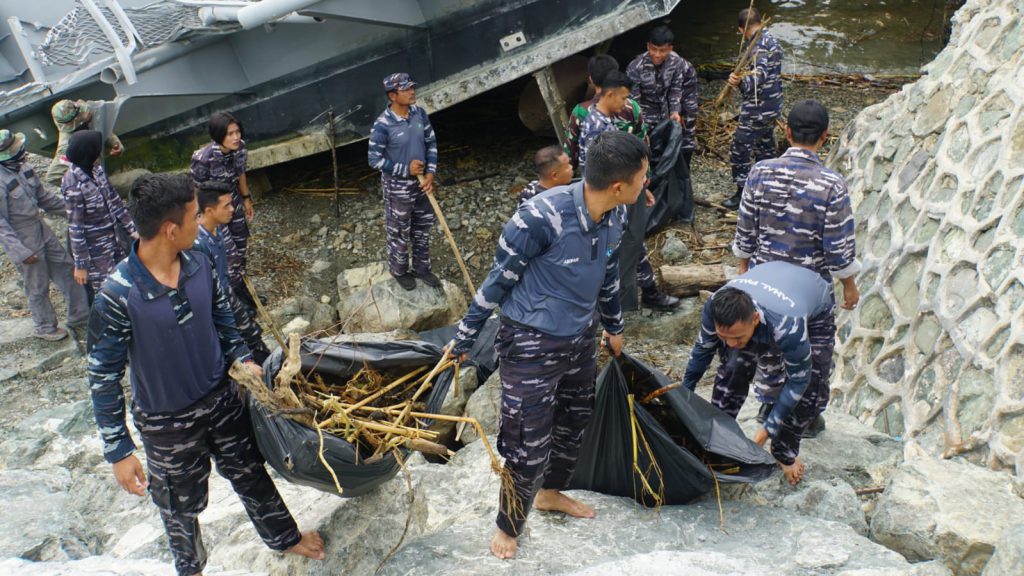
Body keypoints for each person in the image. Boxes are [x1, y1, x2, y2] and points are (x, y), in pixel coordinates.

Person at [86, 173, 324, 576]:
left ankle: (284, 537)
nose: (202, 224)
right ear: (170, 229)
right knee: (179, 507)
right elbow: (102, 376)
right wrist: (119, 450)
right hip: (167, 425)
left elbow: (223, 318)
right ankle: (191, 568)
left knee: (251, 473)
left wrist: (242, 359)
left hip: (222, 398)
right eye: (195, 216)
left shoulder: (198, 261)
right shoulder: (118, 295)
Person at [449, 131, 647, 560]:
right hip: (530, 343)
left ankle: (550, 493)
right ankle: (508, 525)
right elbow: (497, 279)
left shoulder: (615, 213)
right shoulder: (539, 217)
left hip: (580, 336)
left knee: (574, 422)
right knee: (527, 443)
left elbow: (608, 271)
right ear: (618, 184)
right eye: (642, 176)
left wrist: (613, 325)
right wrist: (464, 336)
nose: (645, 183)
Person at [732, 99, 860, 436]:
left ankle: (770, 403)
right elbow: (838, 247)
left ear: (786, 132)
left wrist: (744, 268)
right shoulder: (831, 184)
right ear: (825, 137)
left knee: (771, 343)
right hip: (809, 289)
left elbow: (746, 228)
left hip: (765, 281)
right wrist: (848, 284)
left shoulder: (759, 172)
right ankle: (805, 417)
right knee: (814, 352)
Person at [680, 261, 834, 486]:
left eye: (737, 337)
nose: (730, 343)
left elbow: (798, 381)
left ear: (754, 319)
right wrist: (683, 395)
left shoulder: (787, 324)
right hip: (770, 280)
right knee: (733, 366)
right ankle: (720, 440)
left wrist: (765, 432)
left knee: (812, 389)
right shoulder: (715, 305)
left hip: (813, 304)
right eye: (724, 337)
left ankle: (784, 452)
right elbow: (702, 352)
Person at [577, 71, 679, 313]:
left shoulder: (603, 120)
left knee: (634, 243)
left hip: (621, 196)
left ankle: (648, 291)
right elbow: (607, 173)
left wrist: (641, 189)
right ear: (609, 94)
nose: (626, 104)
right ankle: (616, 303)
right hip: (613, 200)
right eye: (623, 99)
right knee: (618, 249)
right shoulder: (597, 128)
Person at [0, 129, 89, 341]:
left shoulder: (24, 168)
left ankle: (80, 315)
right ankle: (44, 327)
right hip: (22, 236)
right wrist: (20, 252)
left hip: (40, 227)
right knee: (37, 284)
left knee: (67, 267)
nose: (23, 151)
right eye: (18, 149)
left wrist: (75, 212)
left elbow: (45, 199)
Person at [367, 72, 440, 291]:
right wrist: (404, 169)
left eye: (411, 88)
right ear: (392, 95)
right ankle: (399, 270)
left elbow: (431, 143)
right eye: (406, 90)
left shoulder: (419, 114)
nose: (412, 92)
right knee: (399, 230)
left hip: (421, 185)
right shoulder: (382, 125)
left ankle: (422, 268)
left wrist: (430, 174)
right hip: (397, 188)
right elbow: (374, 160)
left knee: (422, 227)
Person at [194, 180, 272, 365]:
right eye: (226, 205)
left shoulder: (217, 231)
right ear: (209, 210)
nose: (232, 209)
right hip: (216, 310)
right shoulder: (198, 245)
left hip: (228, 298)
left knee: (254, 338)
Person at [61, 130, 139, 305]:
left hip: (114, 239)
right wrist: (81, 265)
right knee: (108, 293)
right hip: (96, 252)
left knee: (127, 279)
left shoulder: (96, 170)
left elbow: (114, 199)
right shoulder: (73, 185)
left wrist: (132, 230)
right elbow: (76, 228)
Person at [723, 7, 784, 209]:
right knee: (765, 145)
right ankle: (769, 188)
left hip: (758, 108)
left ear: (741, 29)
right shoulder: (771, 39)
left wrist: (739, 82)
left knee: (740, 148)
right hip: (773, 104)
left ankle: (742, 192)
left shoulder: (757, 47)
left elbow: (757, 81)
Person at [191, 112, 254, 293]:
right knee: (229, 253)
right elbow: (197, 192)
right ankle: (232, 294)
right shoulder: (203, 158)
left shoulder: (240, 148)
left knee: (241, 247)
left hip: (233, 202)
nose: (236, 137)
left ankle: (244, 289)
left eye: (237, 132)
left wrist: (246, 198)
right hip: (214, 211)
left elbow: (241, 173)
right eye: (230, 134)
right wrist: (205, 222)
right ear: (218, 136)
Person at [626, 25, 699, 167]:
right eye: (653, 49)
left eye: (662, 51)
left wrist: (675, 111)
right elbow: (634, 101)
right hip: (646, 111)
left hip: (667, 109)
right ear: (648, 46)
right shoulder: (635, 67)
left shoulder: (677, 63)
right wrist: (640, 125)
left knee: (681, 137)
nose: (657, 55)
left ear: (670, 49)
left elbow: (675, 89)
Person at [46, 98, 124, 186]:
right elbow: (53, 177)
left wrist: (114, 142)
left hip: (101, 166)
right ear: (76, 119)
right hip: (97, 183)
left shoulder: (85, 116)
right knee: (139, 175)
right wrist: (88, 183)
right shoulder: (67, 145)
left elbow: (98, 125)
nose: (87, 112)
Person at [565, 54, 621, 172]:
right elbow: (642, 140)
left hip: (594, 180)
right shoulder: (632, 106)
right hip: (627, 177)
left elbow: (571, 150)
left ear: (590, 80)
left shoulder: (580, 111)